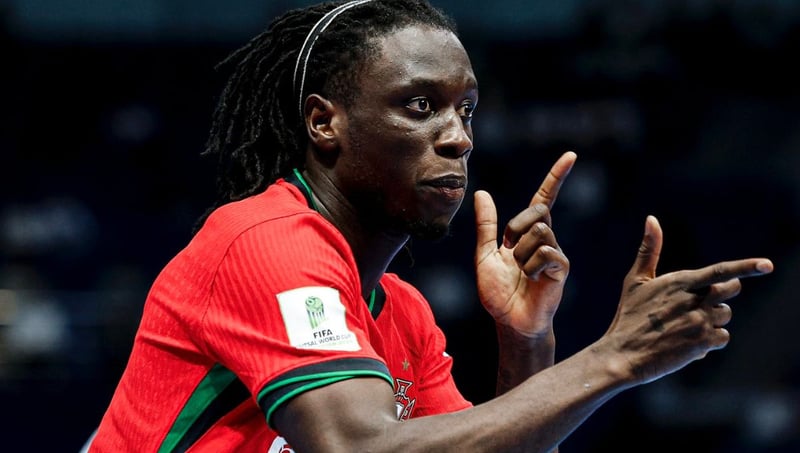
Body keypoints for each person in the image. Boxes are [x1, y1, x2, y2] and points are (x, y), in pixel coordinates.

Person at [88, 0, 775, 451]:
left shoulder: (403, 314)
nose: (458, 138)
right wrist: (614, 359)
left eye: (466, 110)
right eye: (420, 105)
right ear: (324, 122)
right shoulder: (266, 240)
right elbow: (356, 447)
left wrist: (525, 340)